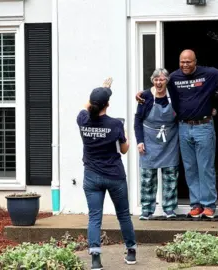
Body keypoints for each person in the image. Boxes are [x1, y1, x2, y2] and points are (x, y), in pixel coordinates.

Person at [136, 49, 218, 219]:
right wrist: (142, 94)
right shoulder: (174, 78)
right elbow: (158, 86)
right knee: (190, 168)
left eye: (188, 62)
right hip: (183, 127)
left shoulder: (209, 74)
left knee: (205, 167)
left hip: (203, 126)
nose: (185, 65)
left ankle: (208, 205)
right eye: (182, 61)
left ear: (195, 61)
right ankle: (196, 204)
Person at [77, 78, 137, 269]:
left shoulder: (82, 119)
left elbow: (86, 105)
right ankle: (131, 252)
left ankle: (95, 259)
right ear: (108, 105)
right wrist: (125, 133)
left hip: (92, 176)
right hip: (115, 177)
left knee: (95, 217)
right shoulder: (115, 125)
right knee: (123, 215)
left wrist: (103, 89)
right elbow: (125, 149)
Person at [134, 68, 179, 220]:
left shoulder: (174, 94)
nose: (159, 83)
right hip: (149, 139)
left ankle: (169, 209)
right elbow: (137, 120)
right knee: (147, 177)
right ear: (152, 80)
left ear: (167, 81)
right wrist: (139, 141)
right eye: (156, 79)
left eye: (162, 79)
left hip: (170, 139)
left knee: (170, 176)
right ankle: (146, 210)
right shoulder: (145, 96)